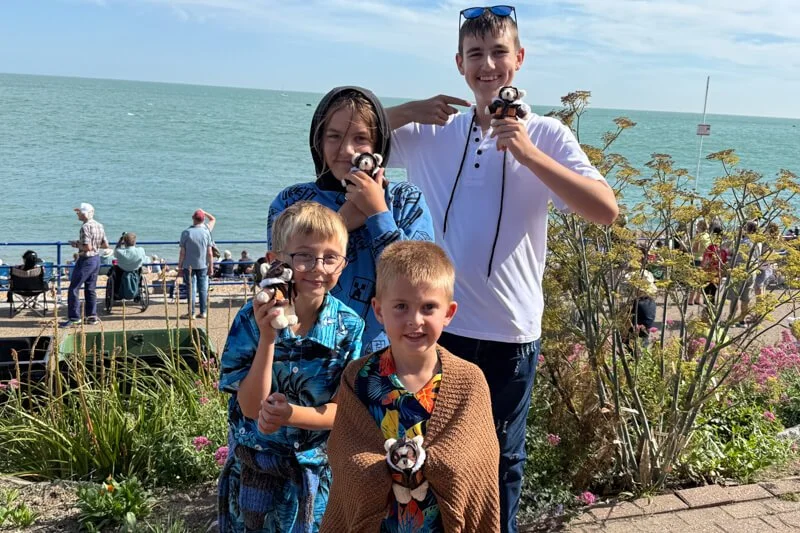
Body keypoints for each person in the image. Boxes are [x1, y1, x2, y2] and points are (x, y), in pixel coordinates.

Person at [385, 7, 618, 531]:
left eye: (497, 53)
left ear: (517, 60)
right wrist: (408, 109)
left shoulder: (549, 135)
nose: (487, 65)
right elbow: (341, 133)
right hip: (433, 328)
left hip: (508, 334)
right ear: (460, 65)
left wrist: (529, 154)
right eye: (475, 55)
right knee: (418, 453)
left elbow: (605, 210)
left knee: (500, 461)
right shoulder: (431, 130)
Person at [322, 240, 499, 532]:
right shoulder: (358, 377)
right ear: (379, 310)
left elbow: (478, 461)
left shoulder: (469, 380)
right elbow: (345, 456)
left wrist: (428, 464)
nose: (414, 320)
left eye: (429, 307)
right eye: (401, 307)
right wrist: (393, 467)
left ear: (449, 312)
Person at [217, 201, 365, 532]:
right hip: (255, 469)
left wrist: (291, 415)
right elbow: (251, 406)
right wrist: (268, 338)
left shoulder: (349, 325)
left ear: (343, 263)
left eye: (330, 257)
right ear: (276, 262)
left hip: (314, 473)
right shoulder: (250, 319)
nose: (318, 267)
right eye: (304, 256)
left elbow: (344, 412)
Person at [267, 86, 434, 356]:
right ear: (318, 141)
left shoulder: (405, 200)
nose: (346, 149)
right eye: (334, 136)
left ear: (379, 145)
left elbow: (420, 285)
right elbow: (282, 280)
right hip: (310, 358)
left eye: (360, 138)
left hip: (386, 358)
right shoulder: (291, 201)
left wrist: (378, 213)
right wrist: (341, 221)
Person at [62, 203, 108, 327]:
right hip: (96, 259)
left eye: (80, 213)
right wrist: (93, 245)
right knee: (90, 289)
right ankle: (91, 316)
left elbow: (87, 247)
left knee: (74, 288)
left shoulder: (85, 227)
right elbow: (105, 245)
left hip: (86, 260)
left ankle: (74, 317)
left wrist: (76, 244)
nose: (78, 214)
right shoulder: (99, 225)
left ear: (85, 214)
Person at [178, 209, 213, 319]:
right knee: (203, 289)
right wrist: (211, 266)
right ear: (203, 220)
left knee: (191, 289)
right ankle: (203, 312)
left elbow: (182, 253)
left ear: (193, 218)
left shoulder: (186, 233)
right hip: (202, 264)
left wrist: (179, 267)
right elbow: (210, 253)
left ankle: (191, 313)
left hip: (189, 265)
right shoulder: (206, 232)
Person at [689, 219, 711, 305]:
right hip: (705, 259)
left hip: (697, 259)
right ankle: (698, 298)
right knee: (701, 280)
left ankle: (691, 299)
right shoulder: (708, 236)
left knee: (694, 280)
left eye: (697, 225)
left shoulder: (699, 236)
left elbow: (695, 249)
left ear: (700, 226)